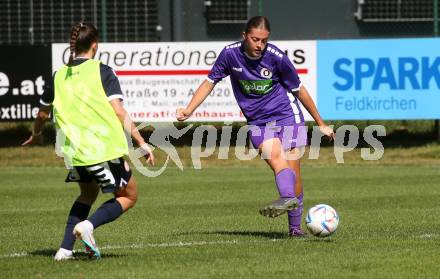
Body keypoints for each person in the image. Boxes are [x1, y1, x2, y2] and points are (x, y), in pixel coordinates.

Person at [176, 16, 334, 236]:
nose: (260, 45)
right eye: (255, 39)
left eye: (264, 40)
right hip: (258, 121)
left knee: (293, 170)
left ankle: (294, 228)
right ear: (244, 36)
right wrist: (189, 109)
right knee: (278, 162)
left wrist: (321, 123)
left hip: (287, 115)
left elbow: (299, 90)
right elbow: (209, 81)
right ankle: (288, 200)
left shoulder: (276, 57)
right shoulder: (230, 54)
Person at [22, 22, 155, 260]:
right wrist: (140, 141)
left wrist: (36, 133)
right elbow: (119, 111)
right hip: (102, 150)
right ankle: (88, 227)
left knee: (87, 194)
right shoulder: (102, 71)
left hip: (74, 153)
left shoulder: (58, 75)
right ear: (95, 45)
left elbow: (42, 114)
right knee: (128, 196)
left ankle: (64, 250)